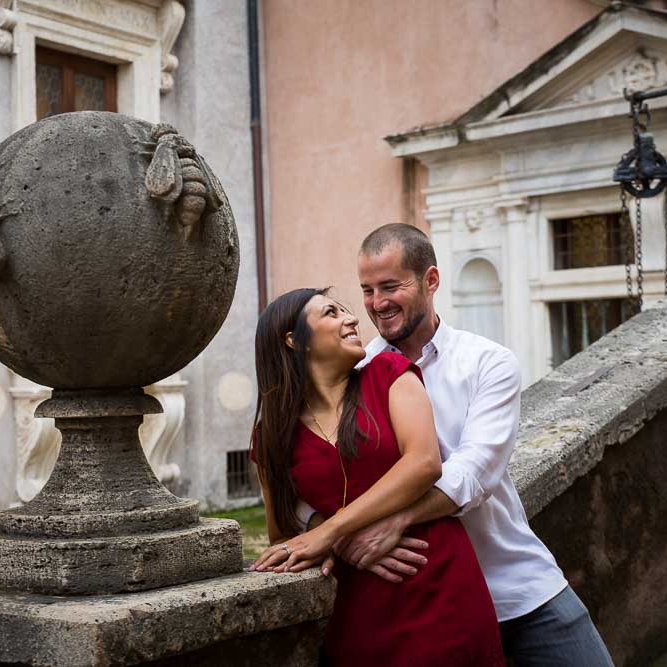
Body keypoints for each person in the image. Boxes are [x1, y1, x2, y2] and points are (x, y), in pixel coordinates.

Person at [260, 224, 614, 666]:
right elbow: (311, 472)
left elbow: (471, 472)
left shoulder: (489, 363)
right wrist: (333, 529)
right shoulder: (356, 368)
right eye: (367, 290)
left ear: (431, 281)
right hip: (410, 595)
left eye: (391, 286)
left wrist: (381, 523)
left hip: (514, 585)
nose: (375, 304)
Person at [249, 287, 505, 666]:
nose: (352, 319)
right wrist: (343, 540)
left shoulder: (390, 373)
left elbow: (423, 463)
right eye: (332, 313)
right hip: (358, 614)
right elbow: (283, 531)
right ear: (294, 341)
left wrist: (330, 532)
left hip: (439, 588)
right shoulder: (271, 436)